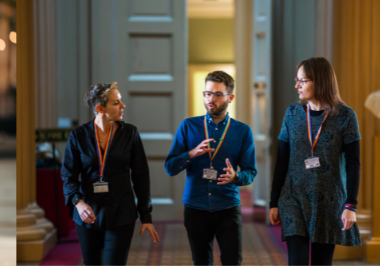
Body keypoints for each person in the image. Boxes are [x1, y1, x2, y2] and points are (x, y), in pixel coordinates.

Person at [269, 57, 362, 265]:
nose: (297, 85)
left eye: (303, 80)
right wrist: (274, 201)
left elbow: (353, 163)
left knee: (322, 261)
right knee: (297, 261)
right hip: (294, 197)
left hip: (329, 200)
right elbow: (281, 160)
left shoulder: (346, 116)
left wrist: (351, 205)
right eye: (297, 80)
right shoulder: (292, 113)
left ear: (319, 81)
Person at [62, 82, 158, 265]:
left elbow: (141, 176)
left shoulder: (130, 133)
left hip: (122, 213)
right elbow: (69, 176)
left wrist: (146, 216)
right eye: (116, 103)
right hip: (88, 214)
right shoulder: (78, 136)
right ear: (100, 108)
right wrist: (78, 203)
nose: (123, 106)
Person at [164, 71, 254, 265]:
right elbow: (170, 167)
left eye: (217, 94)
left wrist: (236, 176)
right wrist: (190, 154)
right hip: (195, 207)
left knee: (232, 261)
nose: (210, 99)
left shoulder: (242, 131)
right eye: (207, 93)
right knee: (201, 261)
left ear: (230, 97)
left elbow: (250, 172)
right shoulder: (188, 126)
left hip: (228, 207)